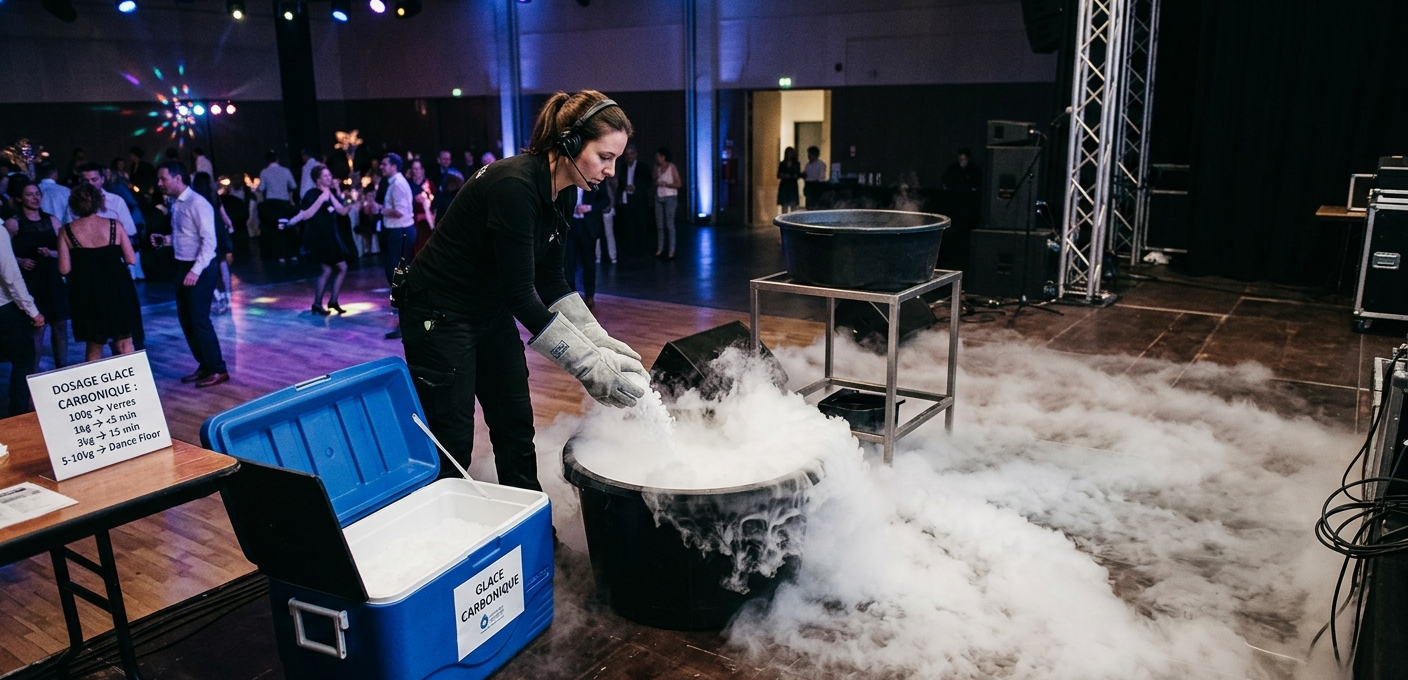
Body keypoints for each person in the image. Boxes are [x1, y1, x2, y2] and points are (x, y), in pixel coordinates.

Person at [399, 89, 648, 491]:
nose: (611, 170)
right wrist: (587, 364)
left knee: (515, 425)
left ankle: (529, 520)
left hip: (490, 309)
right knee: (452, 442)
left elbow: (550, 280)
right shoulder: (513, 185)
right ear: (569, 143)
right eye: (605, 157)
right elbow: (521, 295)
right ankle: (450, 519)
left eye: (616, 159)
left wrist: (598, 340)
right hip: (439, 315)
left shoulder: (564, 189)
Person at [155, 161, 228, 387]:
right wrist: (166, 240)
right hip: (183, 267)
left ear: (178, 178)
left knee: (199, 320)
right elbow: (186, 236)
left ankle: (218, 369)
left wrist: (195, 271)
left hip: (200, 269)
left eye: (163, 179)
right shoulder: (177, 203)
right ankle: (205, 365)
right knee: (187, 320)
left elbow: (209, 241)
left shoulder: (197, 203)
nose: (159, 183)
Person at [57, 183, 140, 362]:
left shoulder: (66, 231)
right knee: (125, 343)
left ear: (73, 205)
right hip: (118, 288)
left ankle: (97, 381)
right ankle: (135, 380)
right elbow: (131, 259)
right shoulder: (115, 225)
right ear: (99, 202)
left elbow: (64, 269)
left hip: (87, 291)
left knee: (94, 346)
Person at [5, 179, 69, 370]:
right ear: (19, 198)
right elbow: (3, 254)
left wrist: (52, 253)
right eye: (29, 194)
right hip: (31, 281)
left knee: (60, 325)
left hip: (53, 278)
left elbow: (66, 249)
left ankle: (63, 369)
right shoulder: (13, 223)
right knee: (37, 328)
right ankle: (32, 375)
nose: (35, 198)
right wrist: (19, 260)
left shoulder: (52, 220)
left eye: (37, 194)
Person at [287, 165, 352, 315]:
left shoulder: (330, 193)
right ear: (318, 179)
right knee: (335, 268)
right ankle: (324, 302)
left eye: (330, 175)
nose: (329, 178)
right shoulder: (312, 194)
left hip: (331, 236)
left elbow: (342, 211)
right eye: (325, 176)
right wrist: (322, 198)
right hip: (320, 237)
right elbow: (306, 214)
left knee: (332, 269)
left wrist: (349, 201)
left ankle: (325, 302)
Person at [365, 153, 414, 339]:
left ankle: (406, 323)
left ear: (394, 166)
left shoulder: (398, 184)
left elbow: (400, 212)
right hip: (400, 232)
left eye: (385, 164)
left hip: (400, 232)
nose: (382, 167)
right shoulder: (394, 183)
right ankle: (407, 321)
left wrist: (379, 209)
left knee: (397, 278)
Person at [0, 219, 44, 415]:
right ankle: (18, 418)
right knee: (24, 360)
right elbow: (11, 277)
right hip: (3, 308)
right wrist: (32, 311)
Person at [192, 173, 235, 315]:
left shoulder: (196, 199)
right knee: (223, 264)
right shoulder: (214, 197)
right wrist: (230, 227)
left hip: (206, 233)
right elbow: (224, 216)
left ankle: (216, 295)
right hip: (219, 232)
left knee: (207, 265)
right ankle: (228, 296)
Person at [564, 184, 609, 307]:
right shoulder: (569, 180)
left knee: (588, 263)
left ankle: (589, 295)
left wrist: (589, 207)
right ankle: (571, 296)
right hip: (570, 226)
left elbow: (605, 200)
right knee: (568, 263)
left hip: (588, 227)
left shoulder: (595, 180)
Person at [258, 151, 299, 263]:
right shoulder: (286, 170)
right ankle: (292, 254)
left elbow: (261, 188)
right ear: (277, 159)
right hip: (284, 203)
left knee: (275, 230)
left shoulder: (264, 172)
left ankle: (279, 255)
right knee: (289, 228)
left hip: (271, 204)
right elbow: (293, 185)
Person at [614, 143, 650, 254]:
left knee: (641, 225)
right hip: (627, 199)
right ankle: (632, 249)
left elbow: (649, 182)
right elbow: (620, 184)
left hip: (639, 200)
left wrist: (637, 187)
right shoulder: (623, 168)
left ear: (635, 154)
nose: (629, 156)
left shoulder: (642, 167)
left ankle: (643, 249)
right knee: (629, 225)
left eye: (631, 154)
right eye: (627, 154)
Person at [653, 147, 680, 258]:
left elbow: (679, 184)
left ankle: (671, 250)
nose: (657, 158)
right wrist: (657, 181)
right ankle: (660, 248)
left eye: (658, 156)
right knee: (660, 225)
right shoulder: (657, 168)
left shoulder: (672, 167)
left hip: (670, 197)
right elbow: (654, 180)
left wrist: (667, 184)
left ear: (663, 157)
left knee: (669, 224)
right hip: (659, 196)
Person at [777, 146, 801, 215]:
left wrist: (795, 175)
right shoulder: (782, 163)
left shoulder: (796, 164)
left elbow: (798, 174)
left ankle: (793, 220)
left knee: (793, 206)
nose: (789, 154)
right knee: (784, 205)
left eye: (791, 153)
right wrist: (784, 175)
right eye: (788, 153)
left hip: (793, 186)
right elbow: (778, 174)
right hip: (784, 186)